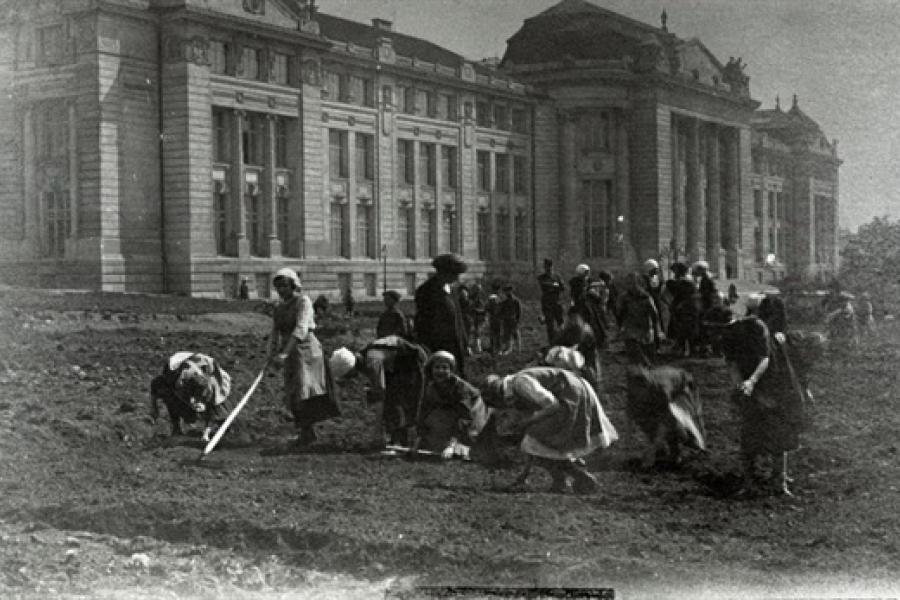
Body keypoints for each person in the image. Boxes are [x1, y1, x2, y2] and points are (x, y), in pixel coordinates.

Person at [706, 307, 805, 496]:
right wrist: (740, 386)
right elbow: (732, 363)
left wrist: (751, 382)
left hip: (774, 379)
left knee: (778, 431)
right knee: (749, 431)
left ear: (727, 324)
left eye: (716, 329)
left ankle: (780, 482)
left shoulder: (755, 327)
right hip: (750, 381)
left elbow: (765, 359)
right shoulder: (725, 338)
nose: (714, 334)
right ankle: (749, 483)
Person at [483, 366, 618, 494]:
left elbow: (552, 404)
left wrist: (528, 422)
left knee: (535, 441)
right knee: (540, 442)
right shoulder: (516, 386)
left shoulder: (521, 383)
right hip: (571, 392)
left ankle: (578, 476)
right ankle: (561, 481)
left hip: (571, 395)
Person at [268, 268, 340, 446]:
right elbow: (275, 332)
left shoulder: (303, 301)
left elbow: (301, 328)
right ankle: (306, 432)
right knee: (293, 392)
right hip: (289, 350)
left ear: (293, 285)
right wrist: (271, 354)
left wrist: (284, 353)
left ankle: (308, 432)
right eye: (278, 287)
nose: (281, 290)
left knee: (304, 390)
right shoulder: (278, 307)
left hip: (306, 350)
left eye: (284, 285)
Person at [329, 335, 428, 447]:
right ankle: (395, 436)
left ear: (351, 369)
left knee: (404, 403)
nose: (350, 379)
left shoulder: (372, 361)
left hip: (413, 362)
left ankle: (406, 439)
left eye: (348, 376)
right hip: (398, 364)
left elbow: (380, 397)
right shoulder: (363, 355)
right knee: (392, 399)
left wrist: (376, 430)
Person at [625, 365, 705, 469]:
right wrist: (628, 444)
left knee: (679, 422)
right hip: (660, 394)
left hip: (683, 388)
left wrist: (652, 449)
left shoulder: (661, 389)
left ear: (646, 386)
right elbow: (630, 413)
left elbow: (667, 421)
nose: (636, 394)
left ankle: (693, 450)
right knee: (643, 416)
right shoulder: (634, 389)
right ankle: (661, 451)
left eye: (639, 391)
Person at [412, 351, 490, 458]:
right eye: (437, 367)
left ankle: (459, 446)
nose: (440, 371)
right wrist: (419, 439)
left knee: (471, 437)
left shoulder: (460, 388)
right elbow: (423, 412)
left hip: (473, 409)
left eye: (444, 368)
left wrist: (451, 445)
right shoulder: (431, 388)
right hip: (451, 410)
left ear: (451, 370)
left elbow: (464, 417)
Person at [149, 352, 233, 441]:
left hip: (207, 390)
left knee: (219, 415)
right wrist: (154, 411)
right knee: (172, 400)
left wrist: (206, 433)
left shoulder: (202, 382)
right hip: (188, 395)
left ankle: (222, 431)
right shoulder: (164, 381)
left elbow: (212, 404)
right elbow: (154, 396)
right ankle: (177, 429)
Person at [414, 254, 470, 374]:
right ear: (444, 272)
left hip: (455, 344)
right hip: (437, 346)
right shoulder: (427, 291)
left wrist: (464, 341)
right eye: (454, 274)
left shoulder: (452, 290)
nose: (457, 277)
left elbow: (458, 318)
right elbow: (423, 322)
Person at [616, 272, 663, 367]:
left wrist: (657, 331)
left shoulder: (646, 297)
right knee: (635, 357)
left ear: (638, 283)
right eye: (628, 283)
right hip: (631, 330)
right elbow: (620, 314)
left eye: (633, 283)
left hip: (645, 330)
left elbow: (654, 315)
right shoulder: (624, 298)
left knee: (648, 357)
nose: (631, 286)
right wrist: (621, 327)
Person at [664, 262, 699, 357]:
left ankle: (689, 350)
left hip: (686, 309)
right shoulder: (684, 281)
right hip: (682, 309)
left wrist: (679, 305)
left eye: (675, 271)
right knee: (682, 330)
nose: (674, 273)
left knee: (686, 330)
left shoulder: (686, 282)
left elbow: (685, 295)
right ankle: (683, 349)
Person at [537, 258, 566, 345]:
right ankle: (552, 343)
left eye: (550, 266)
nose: (548, 268)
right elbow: (544, 286)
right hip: (547, 304)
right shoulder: (541, 277)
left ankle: (563, 340)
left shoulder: (557, 277)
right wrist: (555, 285)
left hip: (557, 302)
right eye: (546, 266)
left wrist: (553, 286)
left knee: (561, 322)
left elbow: (563, 288)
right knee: (550, 325)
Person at [498, 284, 522, 354]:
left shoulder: (516, 301)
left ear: (511, 291)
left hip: (513, 320)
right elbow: (501, 311)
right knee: (507, 336)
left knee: (516, 335)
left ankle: (518, 350)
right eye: (506, 291)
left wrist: (518, 321)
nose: (507, 293)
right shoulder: (504, 302)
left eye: (508, 291)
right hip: (506, 321)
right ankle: (509, 349)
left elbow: (519, 312)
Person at [469, 281, 487, 354]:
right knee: (474, 333)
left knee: (477, 333)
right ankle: (475, 348)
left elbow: (483, 309)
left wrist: (477, 310)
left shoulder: (480, 298)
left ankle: (477, 348)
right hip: (474, 317)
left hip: (479, 317)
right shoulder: (473, 298)